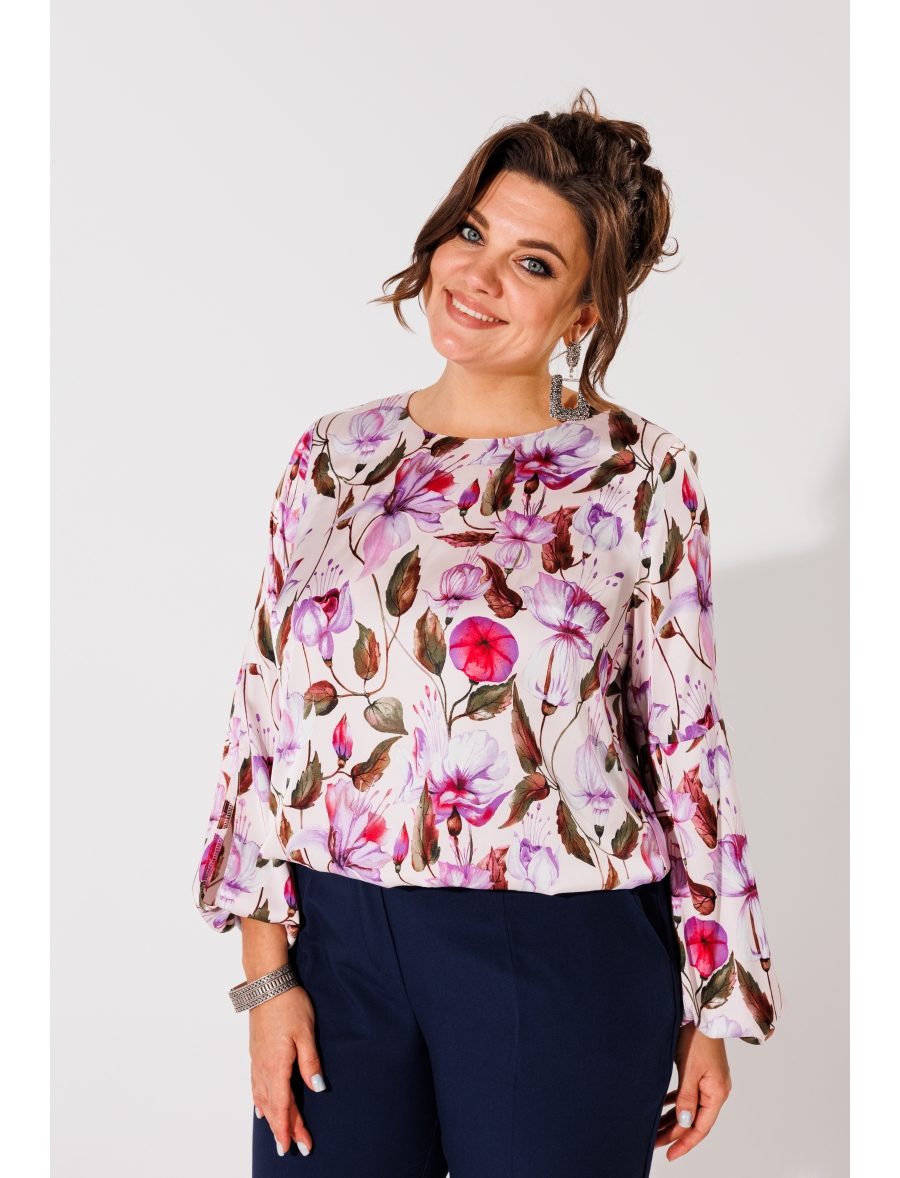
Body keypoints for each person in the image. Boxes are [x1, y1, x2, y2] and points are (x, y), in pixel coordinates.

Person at [195, 90, 782, 1178]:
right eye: (473, 232)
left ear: (583, 314)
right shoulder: (333, 458)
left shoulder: (642, 474)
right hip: (339, 946)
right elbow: (264, 722)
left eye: (534, 263)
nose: (478, 276)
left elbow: (687, 744)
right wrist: (267, 977)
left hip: (559, 951)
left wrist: (715, 997)